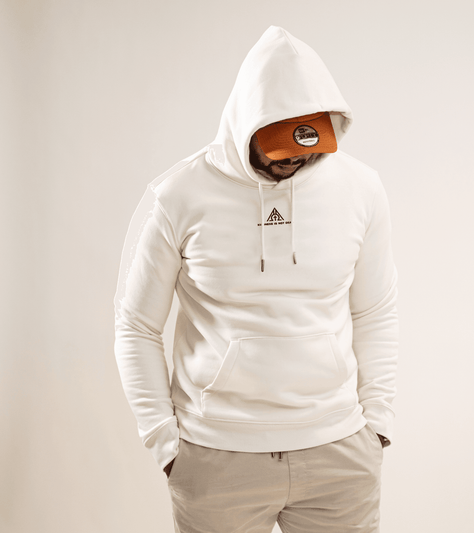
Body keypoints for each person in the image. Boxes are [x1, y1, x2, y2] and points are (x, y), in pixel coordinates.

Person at [114, 25, 398, 533]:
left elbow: (376, 310)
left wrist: (376, 424)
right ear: (245, 126)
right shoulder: (178, 196)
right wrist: (164, 442)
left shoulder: (362, 189)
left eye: (310, 144)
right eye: (281, 147)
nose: (298, 159)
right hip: (216, 457)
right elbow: (135, 325)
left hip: (339, 452)